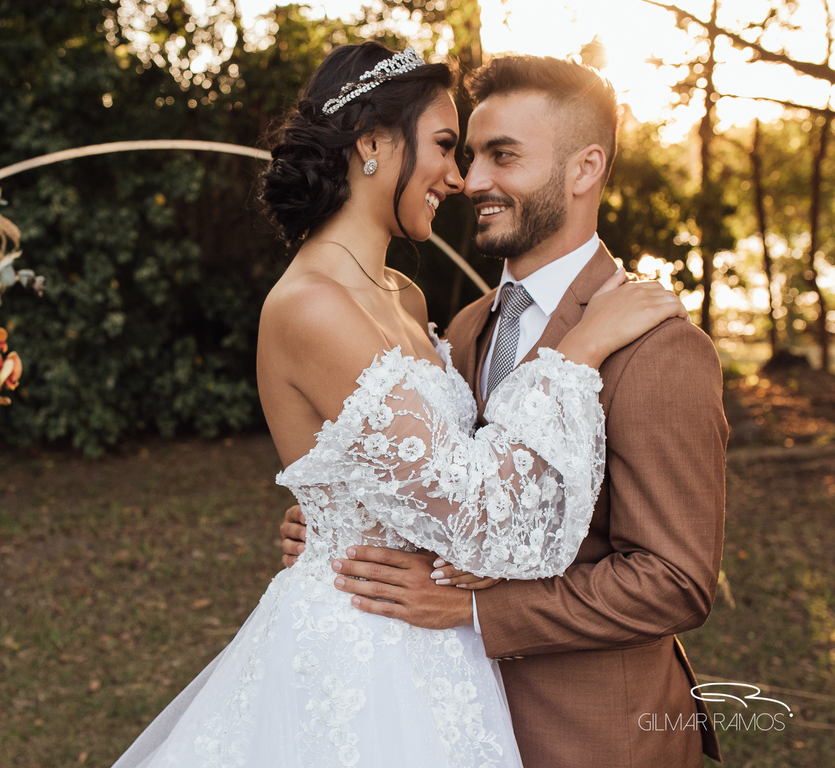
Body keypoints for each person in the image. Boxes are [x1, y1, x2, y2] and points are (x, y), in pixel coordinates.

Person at [112, 42, 686, 768]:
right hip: (365, 657)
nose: (460, 177)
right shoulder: (310, 306)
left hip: (440, 651)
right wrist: (579, 351)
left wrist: (341, 511)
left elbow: (413, 469)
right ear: (375, 144)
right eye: (447, 147)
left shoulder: (405, 297)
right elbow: (473, 514)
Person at [281, 54, 728, 768]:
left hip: (597, 741)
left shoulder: (659, 349)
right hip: (450, 722)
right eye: (466, 153)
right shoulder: (458, 330)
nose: (472, 181)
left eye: (502, 156)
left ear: (584, 170)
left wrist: (476, 611)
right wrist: (345, 520)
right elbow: (444, 488)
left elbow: (673, 582)